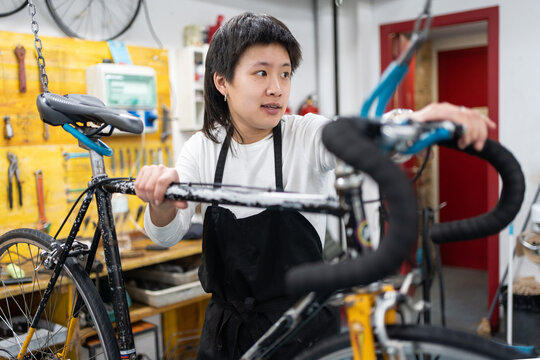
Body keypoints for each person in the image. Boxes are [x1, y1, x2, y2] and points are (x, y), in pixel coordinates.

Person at [134, 12, 495, 359]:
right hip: (226, 336)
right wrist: (160, 199)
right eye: (261, 73)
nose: (277, 89)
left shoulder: (305, 135)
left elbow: (363, 133)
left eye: (285, 74)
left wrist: (416, 120)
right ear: (222, 81)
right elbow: (166, 236)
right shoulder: (203, 147)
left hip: (302, 333)